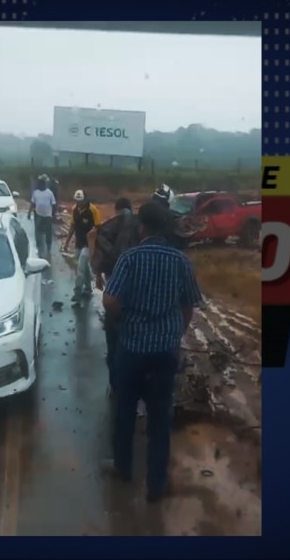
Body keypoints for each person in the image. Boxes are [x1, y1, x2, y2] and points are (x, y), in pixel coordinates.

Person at [101, 201, 203, 503]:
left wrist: (123, 320)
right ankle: (156, 486)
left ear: (142, 227)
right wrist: (175, 334)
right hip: (165, 353)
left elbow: (109, 301)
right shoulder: (181, 261)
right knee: (160, 418)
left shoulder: (130, 258)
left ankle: (122, 468)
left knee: (124, 412)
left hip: (132, 349)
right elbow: (189, 305)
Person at [89, 198, 138, 394]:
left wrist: (98, 275)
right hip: (138, 299)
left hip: (115, 295)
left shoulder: (109, 229)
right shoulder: (139, 228)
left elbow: (96, 261)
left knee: (114, 343)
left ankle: (116, 386)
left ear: (117, 210)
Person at [62, 189, 101, 302]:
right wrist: (67, 242)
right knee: (84, 268)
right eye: (77, 200)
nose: (79, 203)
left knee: (80, 267)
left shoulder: (93, 210)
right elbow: (72, 226)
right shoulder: (75, 210)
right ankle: (88, 289)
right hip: (79, 243)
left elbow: (98, 227)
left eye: (81, 200)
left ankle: (77, 292)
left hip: (89, 244)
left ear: (86, 199)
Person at [28, 175, 56, 260]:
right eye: (39, 183)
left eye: (42, 183)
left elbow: (54, 204)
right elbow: (32, 203)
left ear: (44, 184)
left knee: (48, 231)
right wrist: (29, 213)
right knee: (38, 230)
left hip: (48, 215)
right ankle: (38, 245)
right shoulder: (35, 193)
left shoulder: (49, 193)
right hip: (38, 214)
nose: (40, 185)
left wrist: (54, 214)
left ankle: (48, 245)